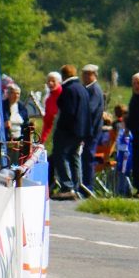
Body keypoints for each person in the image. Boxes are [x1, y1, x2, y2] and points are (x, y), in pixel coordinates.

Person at [50, 65, 89, 200]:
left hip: (68, 130)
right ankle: (76, 186)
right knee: (74, 156)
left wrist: (61, 128)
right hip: (81, 131)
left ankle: (67, 186)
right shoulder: (82, 89)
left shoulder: (68, 90)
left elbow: (68, 112)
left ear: (63, 76)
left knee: (60, 155)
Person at [79, 64, 106, 197]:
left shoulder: (94, 90)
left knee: (88, 158)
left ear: (94, 75)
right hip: (88, 130)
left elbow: (90, 109)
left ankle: (87, 187)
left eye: (88, 74)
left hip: (92, 131)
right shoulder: (87, 89)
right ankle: (84, 185)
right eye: (83, 74)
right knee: (85, 158)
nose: (84, 77)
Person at [112, 104, 133, 196]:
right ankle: (124, 190)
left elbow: (126, 145)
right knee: (121, 172)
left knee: (123, 173)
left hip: (125, 155)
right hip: (121, 154)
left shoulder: (127, 133)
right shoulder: (122, 131)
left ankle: (122, 192)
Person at [42, 71, 61, 140]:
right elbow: (47, 122)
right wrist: (42, 140)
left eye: (53, 81)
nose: (50, 83)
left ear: (59, 82)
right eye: (48, 81)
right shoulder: (48, 99)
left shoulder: (64, 94)